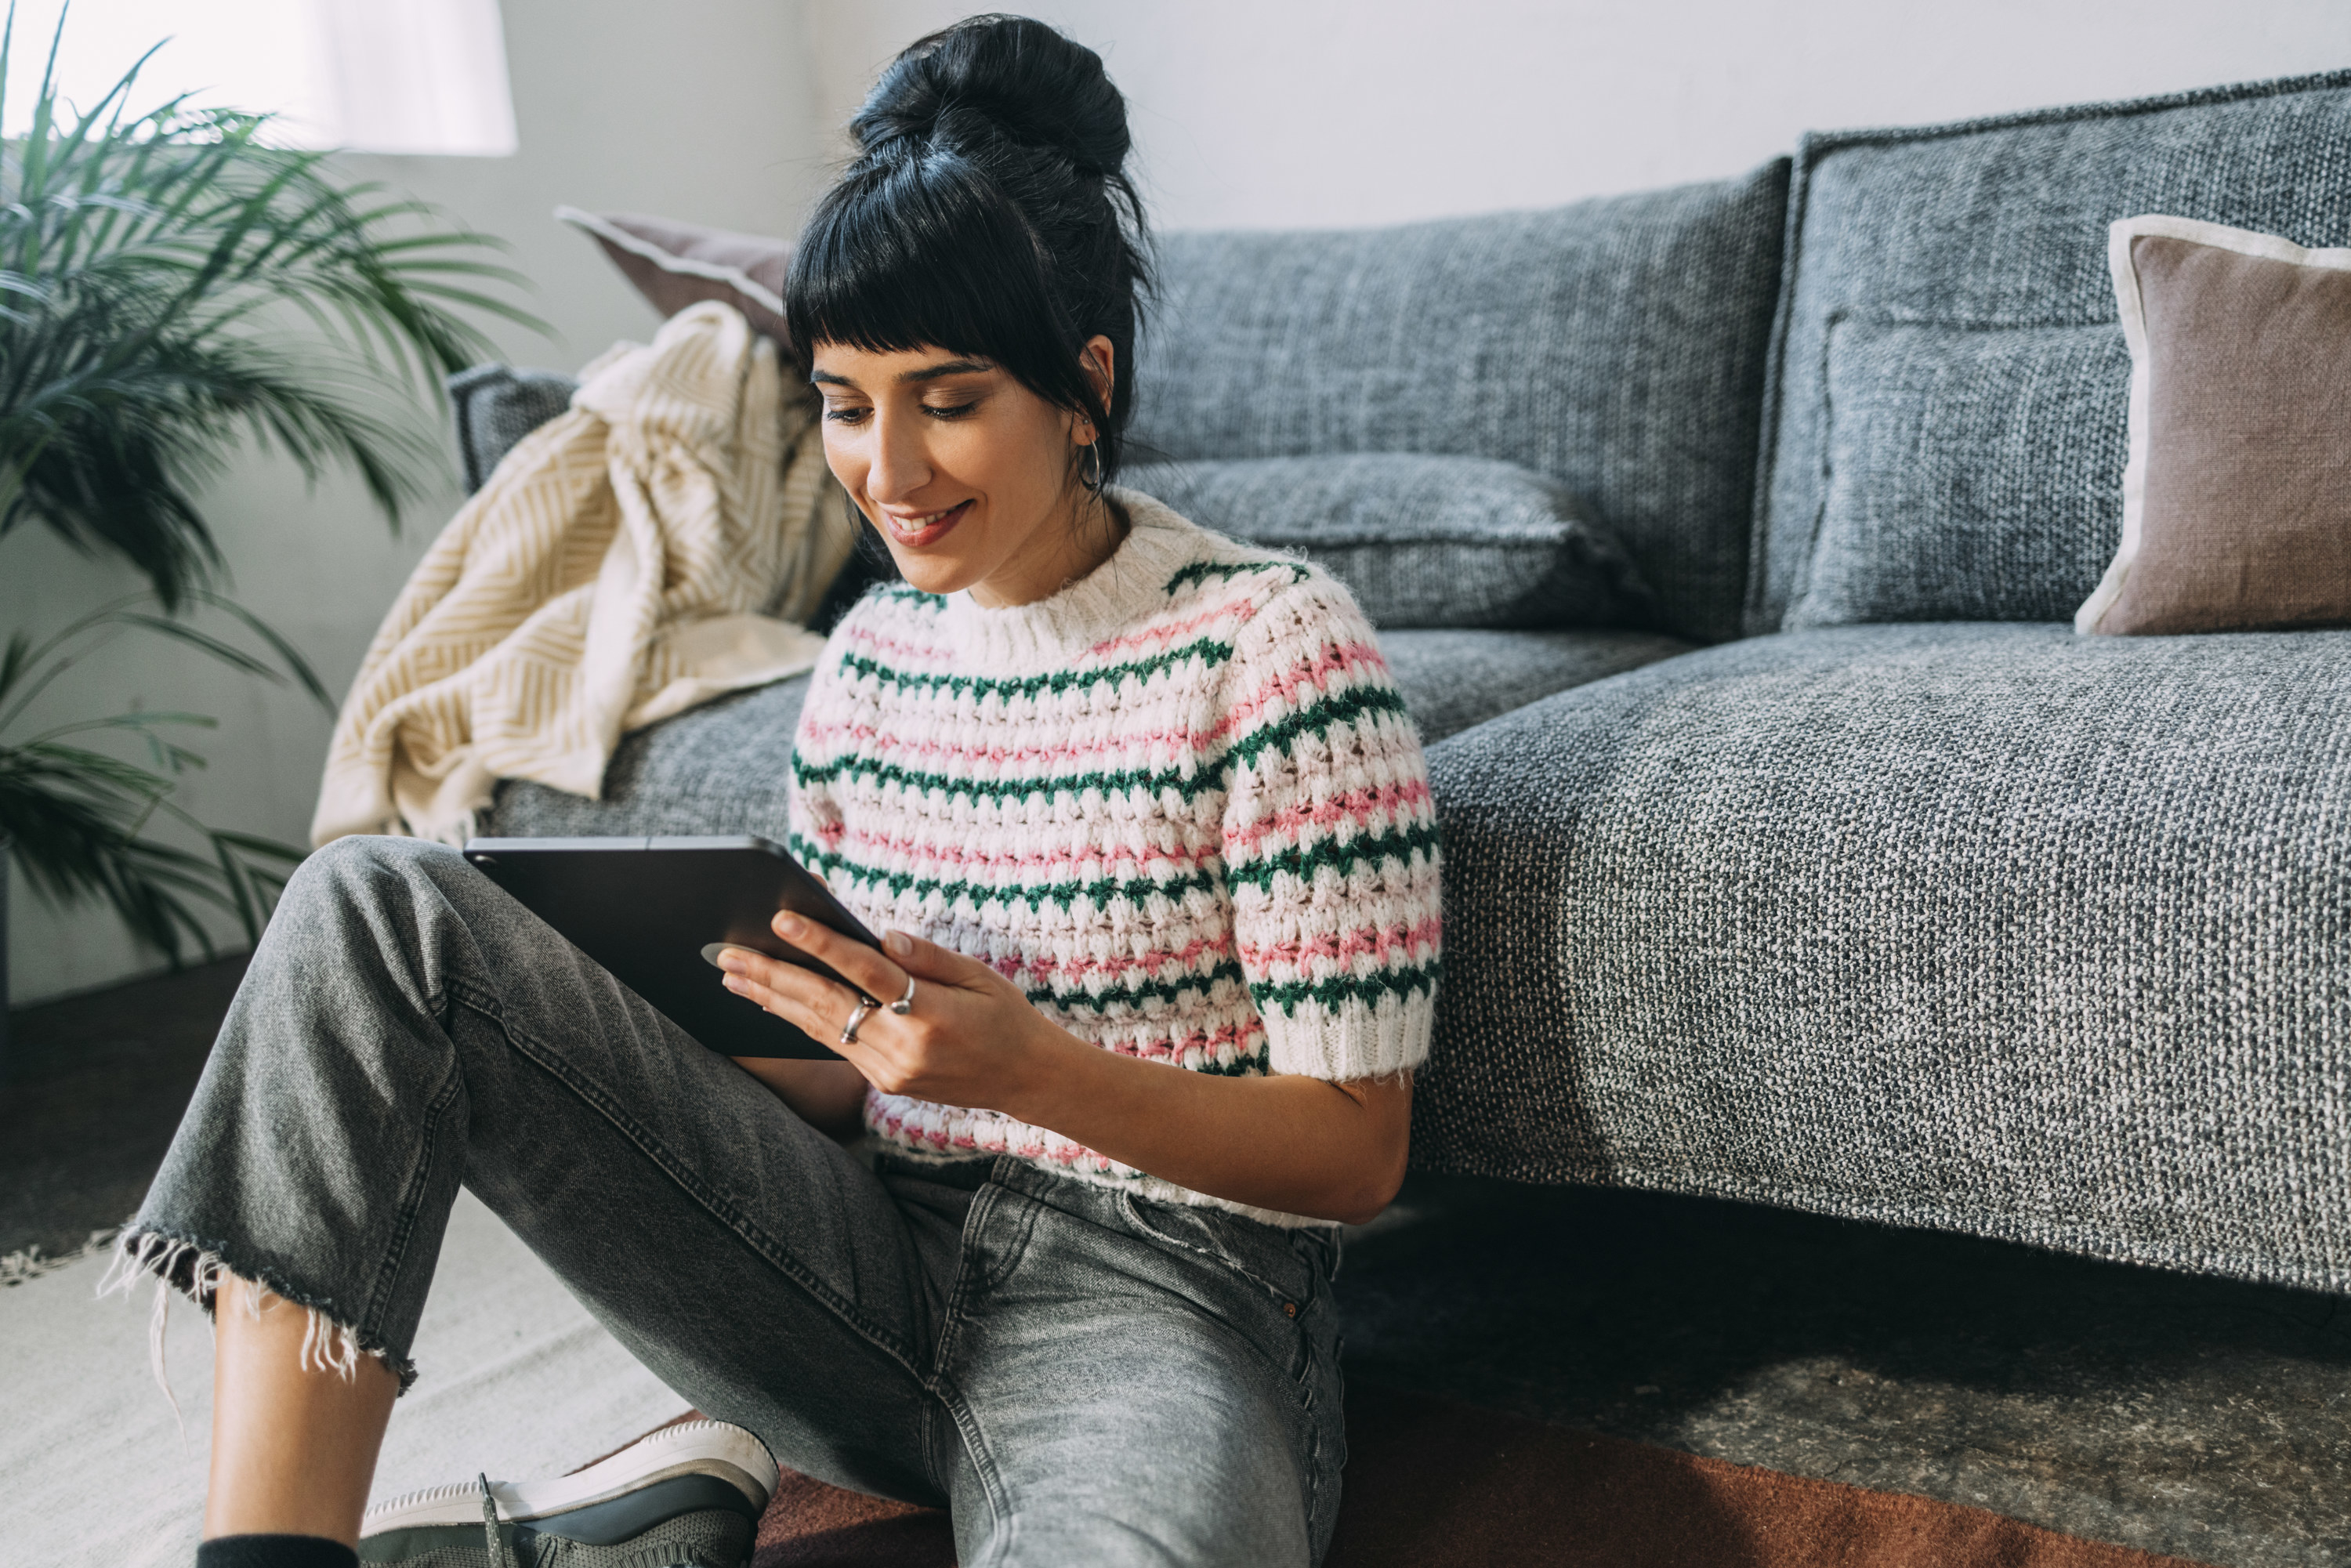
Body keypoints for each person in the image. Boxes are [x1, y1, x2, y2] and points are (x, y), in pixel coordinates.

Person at [113, 14, 1443, 1567]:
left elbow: (1357, 1151)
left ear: (1080, 385)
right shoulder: (872, 661)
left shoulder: (1272, 645)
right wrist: (653, 1028)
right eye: (843, 399)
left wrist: (1029, 1071)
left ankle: (624, 1530)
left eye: (947, 397)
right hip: (862, 1266)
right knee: (371, 910)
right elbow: (829, 1087)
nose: (886, 467)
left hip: (1168, 1294)